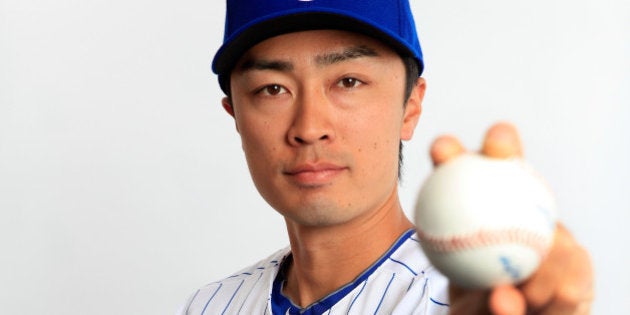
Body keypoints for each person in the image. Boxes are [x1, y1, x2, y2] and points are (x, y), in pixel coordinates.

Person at [179, 1, 594, 314]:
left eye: (348, 81)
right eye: (272, 89)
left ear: (410, 107)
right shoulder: (209, 304)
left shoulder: (469, 301)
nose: (308, 127)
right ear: (235, 114)